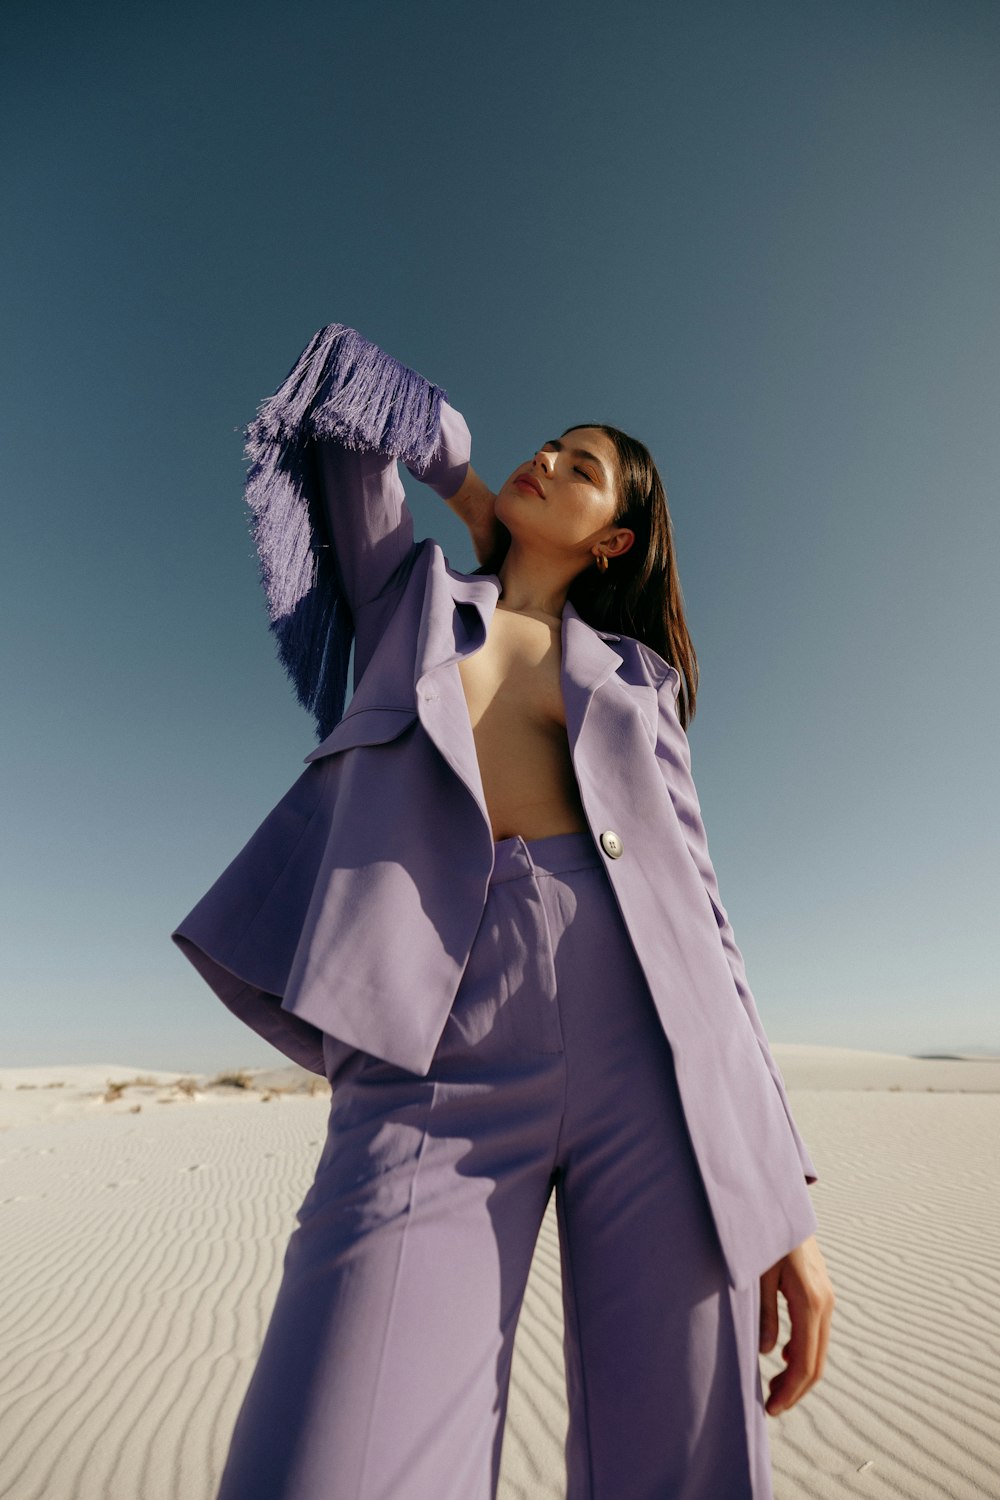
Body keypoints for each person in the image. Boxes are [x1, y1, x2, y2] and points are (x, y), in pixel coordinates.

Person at [172, 324, 835, 1500]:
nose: (551, 461)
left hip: (656, 1062)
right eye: (552, 446)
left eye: (581, 468)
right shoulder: (410, 598)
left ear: (614, 539)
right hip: (434, 1048)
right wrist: (474, 493)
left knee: (686, 1464)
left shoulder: (639, 685)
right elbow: (342, 407)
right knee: (326, 1460)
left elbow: (706, 931)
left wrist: (782, 1202)